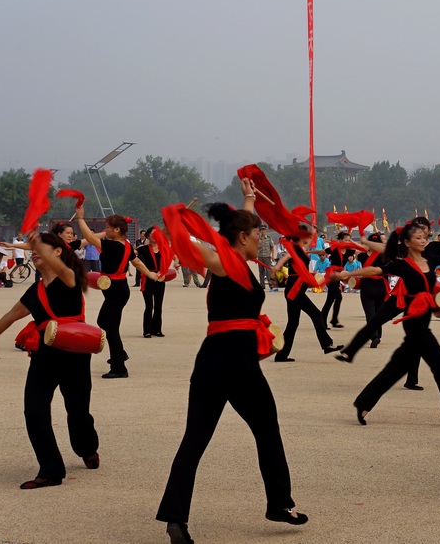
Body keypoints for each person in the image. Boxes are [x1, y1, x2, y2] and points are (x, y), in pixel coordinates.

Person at [156, 183, 308, 544]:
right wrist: (179, 231)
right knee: (267, 429)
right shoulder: (225, 260)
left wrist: (250, 199)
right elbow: (209, 252)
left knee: (194, 440)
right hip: (237, 361)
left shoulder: (240, 259)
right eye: (258, 233)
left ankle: (176, 518)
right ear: (243, 237)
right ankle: (279, 504)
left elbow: (232, 233)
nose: (262, 237)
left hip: (210, 359)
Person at [0, 231, 100, 489]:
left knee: (78, 412)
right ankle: (51, 470)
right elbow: (12, 315)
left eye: (42, 248)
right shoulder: (34, 291)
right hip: (44, 355)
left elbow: (60, 268)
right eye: (34, 249)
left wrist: (37, 243)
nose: (35, 252)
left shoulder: (70, 277)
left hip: (74, 351)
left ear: (57, 251)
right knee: (34, 410)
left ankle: (87, 448)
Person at [333, 221, 440, 425]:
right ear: (407, 243)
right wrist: (349, 274)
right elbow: (375, 271)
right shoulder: (402, 264)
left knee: (396, 368)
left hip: (423, 319)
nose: (423, 240)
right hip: (415, 323)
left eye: (424, 237)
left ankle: (364, 403)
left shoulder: (429, 259)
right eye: (418, 238)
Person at [75, 207, 157, 378]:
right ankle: (119, 355)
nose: (106, 230)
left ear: (117, 229)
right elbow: (136, 263)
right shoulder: (126, 245)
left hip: (116, 290)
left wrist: (80, 218)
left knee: (110, 327)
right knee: (106, 323)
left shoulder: (113, 246)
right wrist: (150, 274)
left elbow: (89, 238)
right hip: (118, 289)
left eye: (108, 228)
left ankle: (119, 368)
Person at [271, 230, 343, 362]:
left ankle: (281, 355)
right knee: (316, 314)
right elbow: (287, 256)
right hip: (295, 289)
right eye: (308, 237)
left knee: (293, 323)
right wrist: (277, 266)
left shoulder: (301, 249)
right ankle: (327, 344)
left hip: (296, 288)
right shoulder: (295, 248)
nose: (310, 239)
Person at [138, 227, 178, 338]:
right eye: (152, 234)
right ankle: (147, 330)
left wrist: (176, 263)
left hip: (160, 279)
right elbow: (130, 254)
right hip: (148, 279)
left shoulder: (164, 248)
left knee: (158, 306)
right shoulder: (143, 249)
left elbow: (175, 257)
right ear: (148, 236)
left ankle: (157, 330)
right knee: (149, 305)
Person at [320, 232, 353, 329]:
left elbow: (361, 249)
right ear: (340, 240)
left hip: (339, 276)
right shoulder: (334, 249)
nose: (348, 242)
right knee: (338, 297)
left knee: (330, 300)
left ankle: (323, 321)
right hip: (332, 275)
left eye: (349, 240)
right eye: (346, 240)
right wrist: (309, 252)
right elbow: (322, 252)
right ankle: (333, 320)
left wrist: (352, 242)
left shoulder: (348, 251)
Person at [256, 226, 276, 291]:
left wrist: (273, 255)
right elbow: (255, 248)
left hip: (267, 256)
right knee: (261, 271)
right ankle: (262, 285)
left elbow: (272, 247)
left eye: (264, 230)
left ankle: (270, 284)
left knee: (268, 271)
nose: (263, 231)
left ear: (265, 231)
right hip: (260, 256)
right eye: (261, 230)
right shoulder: (258, 239)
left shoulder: (269, 238)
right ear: (260, 231)